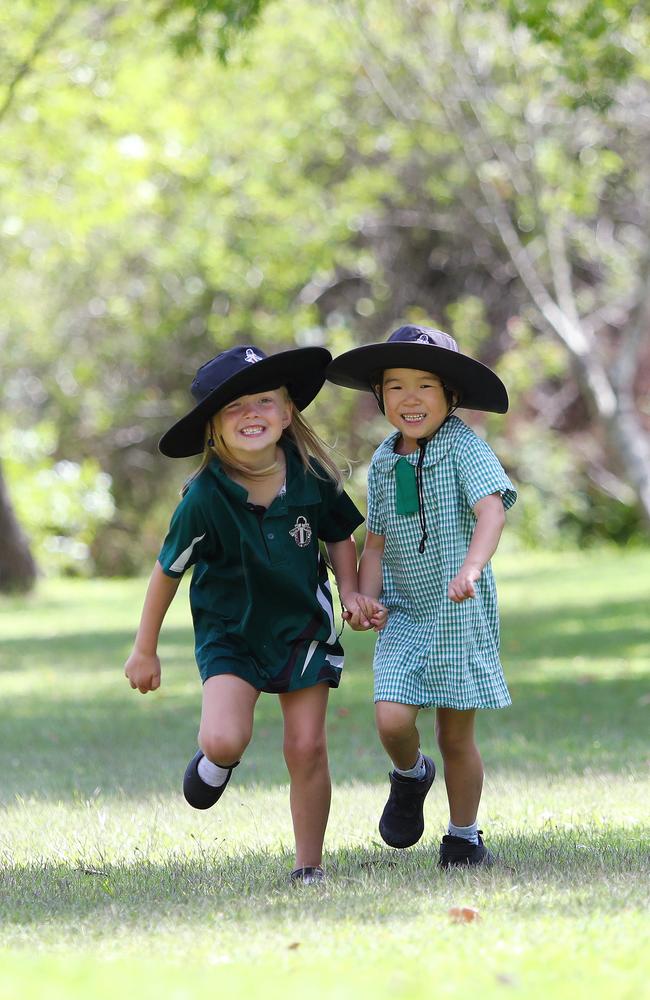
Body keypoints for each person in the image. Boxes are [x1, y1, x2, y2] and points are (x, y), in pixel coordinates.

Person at [124, 344, 383, 885]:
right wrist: (144, 648)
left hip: (302, 630)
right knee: (223, 738)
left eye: (263, 401)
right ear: (213, 427)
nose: (251, 414)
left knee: (307, 747)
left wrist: (352, 591)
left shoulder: (313, 476)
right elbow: (167, 572)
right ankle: (215, 763)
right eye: (234, 406)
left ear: (287, 412)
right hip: (231, 635)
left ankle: (308, 866)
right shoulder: (203, 499)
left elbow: (339, 537)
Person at [328, 324, 517, 867]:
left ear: (451, 395)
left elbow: (492, 510)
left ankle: (463, 834)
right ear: (380, 396)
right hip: (408, 613)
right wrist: (364, 598)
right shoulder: (385, 462)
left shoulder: (464, 447)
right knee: (391, 719)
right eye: (395, 387)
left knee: (455, 734)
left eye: (425, 385)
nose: (410, 399)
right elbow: (378, 544)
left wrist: (472, 568)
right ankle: (411, 777)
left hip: (460, 610)